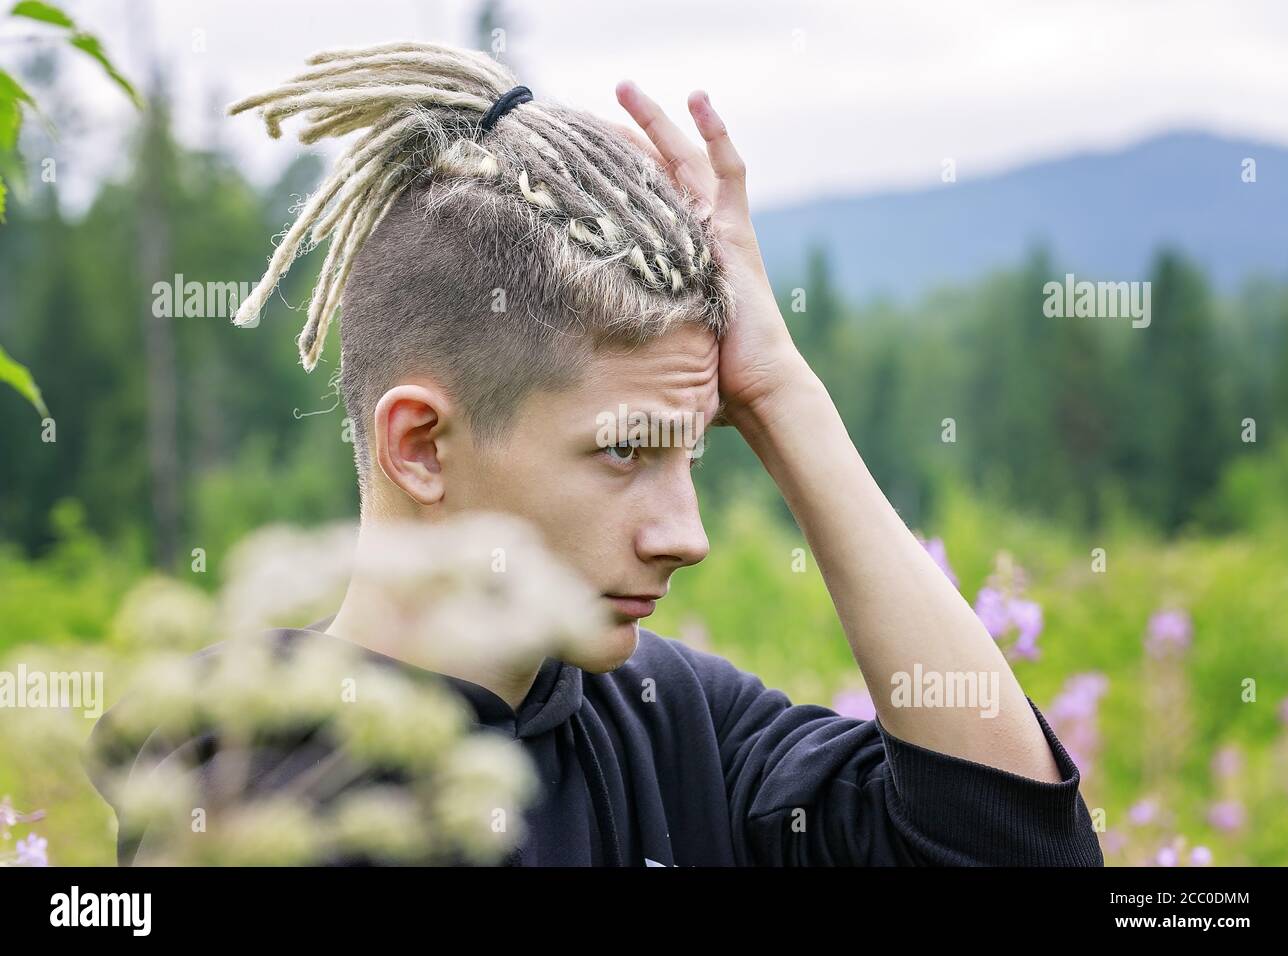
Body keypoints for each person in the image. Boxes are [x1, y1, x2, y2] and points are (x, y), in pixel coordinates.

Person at [85, 40, 1104, 867]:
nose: (687, 535)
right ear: (422, 445)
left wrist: (782, 393)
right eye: (625, 452)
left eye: (695, 452)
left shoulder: (678, 725)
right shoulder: (232, 779)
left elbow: (1017, 846)